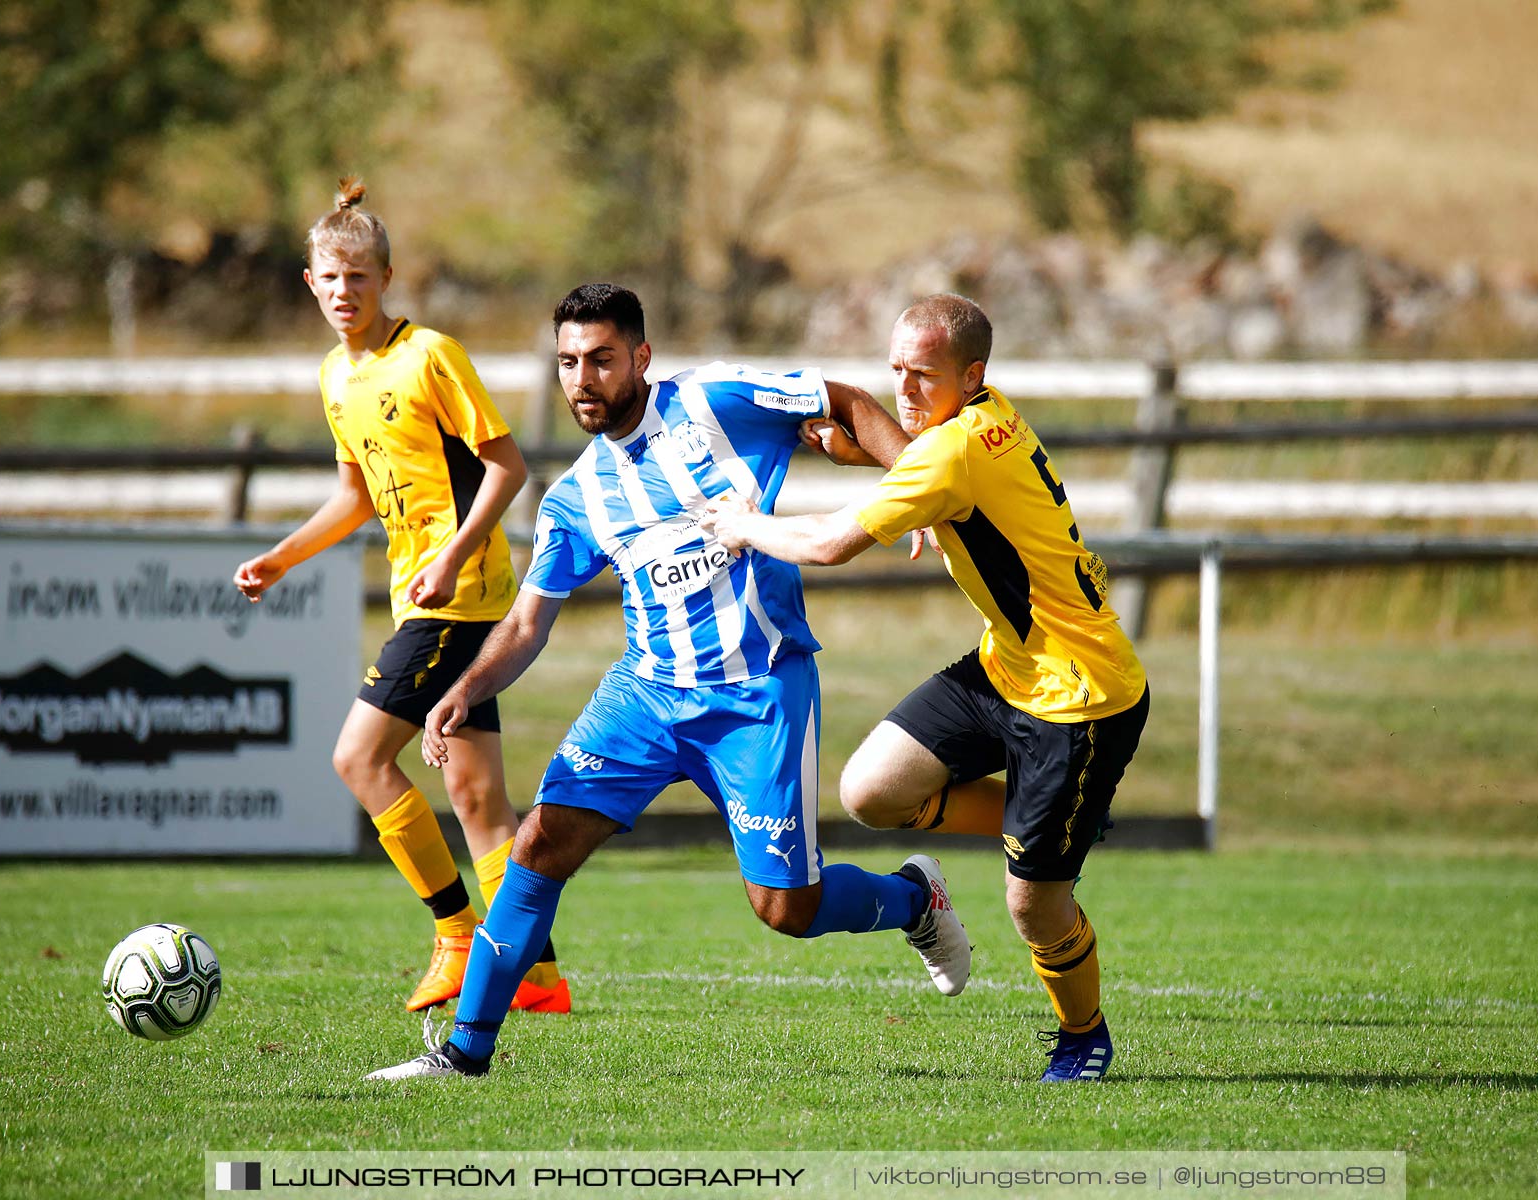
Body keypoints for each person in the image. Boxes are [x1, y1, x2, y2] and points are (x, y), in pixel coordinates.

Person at [364, 282, 972, 1081]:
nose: (584, 379)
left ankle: (911, 900)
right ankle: (463, 1055)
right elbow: (524, 625)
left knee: (787, 911)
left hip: (758, 693)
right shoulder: (576, 498)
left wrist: (913, 490)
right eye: (569, 363)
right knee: (539, 844)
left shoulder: (716, 398)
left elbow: (844, 399)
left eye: (603, 360)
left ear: (642, 358)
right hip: (647, 695)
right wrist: (464, 691)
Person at [698, 293, 1150, 1083]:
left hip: (1080, 698)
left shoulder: (952, 453)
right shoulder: (978, 422)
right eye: (897, 371)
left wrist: (743, 526)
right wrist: (876, 463)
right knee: (872, 792)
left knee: (1032, 906)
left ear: (972, 374)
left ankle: (1083, 1037)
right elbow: (932, 468)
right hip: (1008, 667)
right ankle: (1049, 830)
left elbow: (832, 542)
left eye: (924, 375)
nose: (905, 389)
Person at [232, 178, 568, 1015]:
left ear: (387, 277)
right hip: (426, 596)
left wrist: (454, 555)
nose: (345, 292)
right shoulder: (335, 377)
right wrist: (283, 557)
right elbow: (354, 495)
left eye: (360, 277)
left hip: (460, 596)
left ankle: (457, 934)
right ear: (310, 282)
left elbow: (508, 467)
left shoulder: (432, 356)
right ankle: (538, 976)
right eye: (330, 278)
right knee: (479, 798)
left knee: (358, 757)